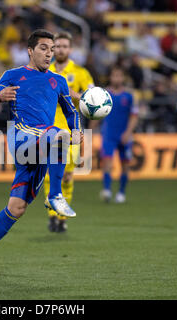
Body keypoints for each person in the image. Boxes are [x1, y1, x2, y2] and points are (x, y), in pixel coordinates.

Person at [0, 29, 82, 279]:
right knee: (58, 135)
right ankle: (55, 195)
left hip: (42, 147)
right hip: (21, 138)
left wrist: (78, 131)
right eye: (43, 48)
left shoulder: (59, 81)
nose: (49, 53)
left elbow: (72, 113)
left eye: (51, 49)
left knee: (16, 208)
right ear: (30, 51)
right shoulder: (13, 75)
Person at [43, 31, 94, 233]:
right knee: (48, 174)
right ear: (53, 49)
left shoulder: (81, 73)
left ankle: (63, 216)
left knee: (67, 176)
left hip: (71, 130)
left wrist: (75, 95)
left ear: (70, 49)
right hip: (47, 129)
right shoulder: (45, 71)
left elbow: (93, 99)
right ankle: (52, 217)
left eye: (65, 46)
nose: (62, 49)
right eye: (58, 46)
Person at [99, 66, 138, 203]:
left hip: (124, 135)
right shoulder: (103, 94)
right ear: (110, 77)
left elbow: (134, 116)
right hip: (109, 135)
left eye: (119, 76)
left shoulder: (129, 95)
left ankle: (121, 192)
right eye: (114, 75)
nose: (117, 78)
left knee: (125, 165)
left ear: (123, 78)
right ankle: (107, 190)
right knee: (107, 163)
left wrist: (128, 132)